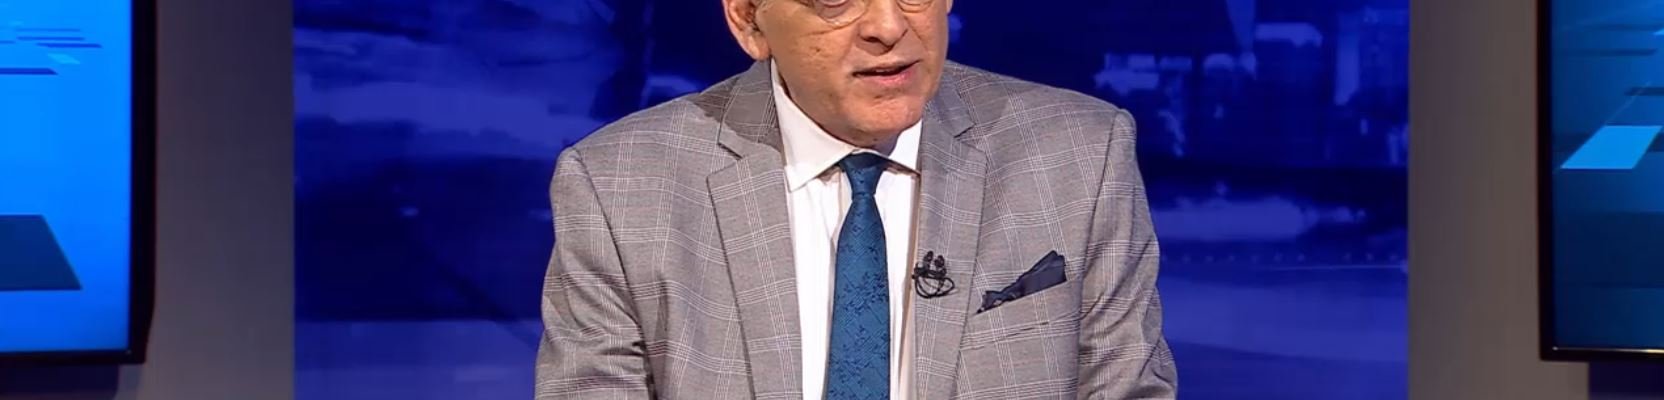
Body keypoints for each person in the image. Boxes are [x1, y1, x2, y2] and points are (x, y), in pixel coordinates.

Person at [536, 0, 1177, 398]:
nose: (889, 26)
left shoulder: (1079, 156)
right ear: (749, 20)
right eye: (835, 2)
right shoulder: (621, 187)